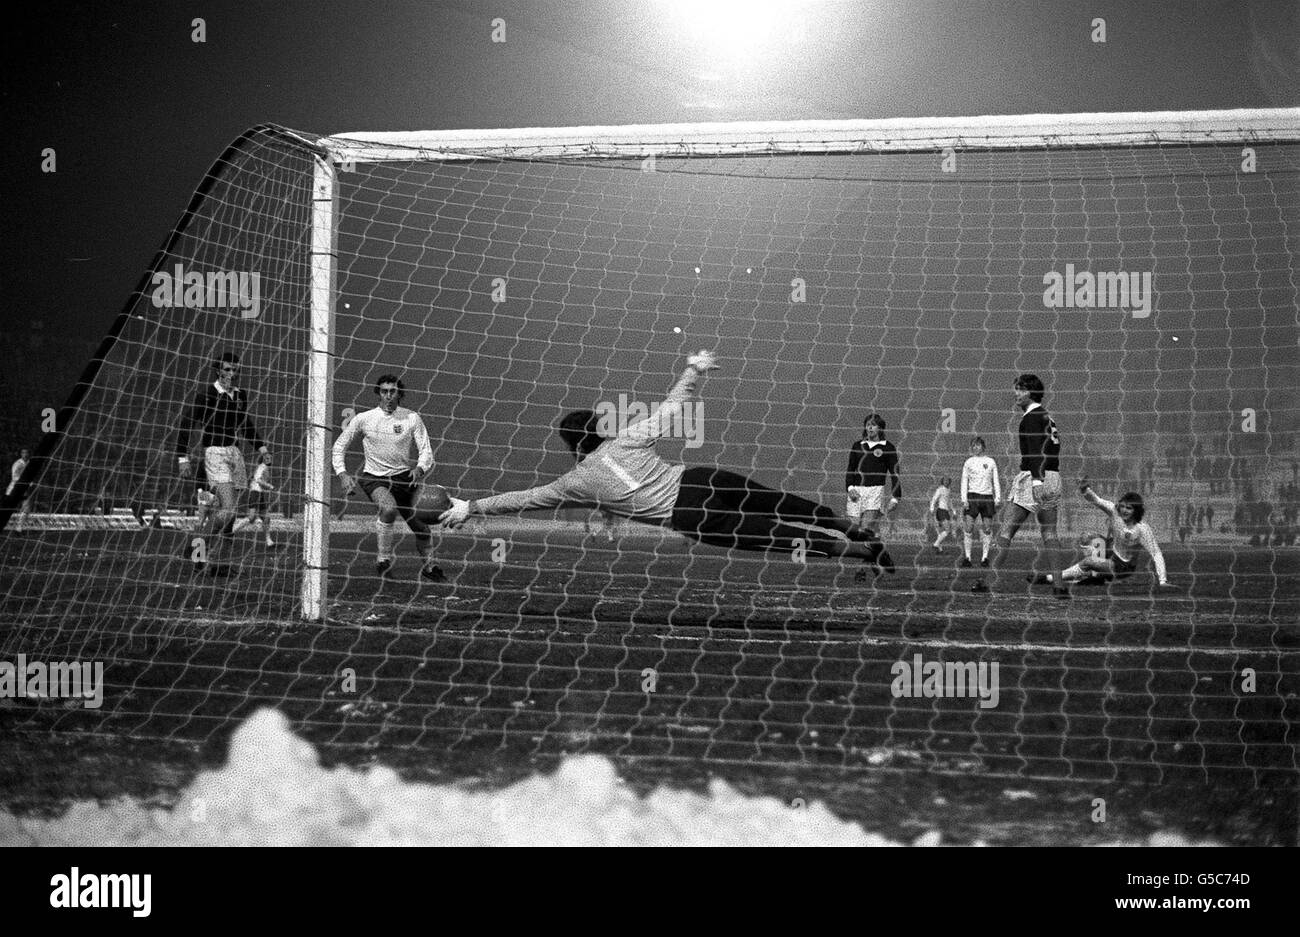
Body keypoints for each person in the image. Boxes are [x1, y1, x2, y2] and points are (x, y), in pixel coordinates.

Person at [436, 352, 895, 577]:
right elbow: (671, 410)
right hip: (702, 479)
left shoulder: (574, 482)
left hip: (690, 514)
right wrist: (692, 370)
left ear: (570, 446)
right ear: (598, 429)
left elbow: (523, 500)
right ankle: (855, 529)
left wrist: (469, 507)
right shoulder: (626, 438)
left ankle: (860, 550)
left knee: (776, 537)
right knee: (785, 504)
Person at [333, 373, 444, 581]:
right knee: (388, 509)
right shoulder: (364, 419)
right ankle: (383, 561)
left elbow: (426, 450)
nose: (388, 395)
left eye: (392, 391)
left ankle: (431, 568)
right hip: (375, 478)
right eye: (384, 391)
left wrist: (419, 469)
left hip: (404, 479)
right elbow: (339, 446)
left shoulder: (411, 418)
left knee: (422, 528)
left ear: (399, 393)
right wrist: (342, 474)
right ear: (378, 393)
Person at [971, 374, 1066, 597]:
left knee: (1006, 531)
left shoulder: (1030, 418)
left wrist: (1035, 481)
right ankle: (1060, 586)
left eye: (1020, 389)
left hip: (1035, 477)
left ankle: (987, 581)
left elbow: (1034, 451)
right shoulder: (1048, 417)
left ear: (1030, 392)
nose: (1016, 393)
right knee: (1050, 533)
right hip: (1054, 476)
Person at [177, 353, 271, 575]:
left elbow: (244, 424)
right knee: (227, 511)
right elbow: (187, 423)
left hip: (235, 454)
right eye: (228, 369)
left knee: (228, 516)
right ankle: (198, 547)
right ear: (218, 371)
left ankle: (206, 559)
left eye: (235, 370)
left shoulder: (240, 395)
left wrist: (262, 448)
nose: (232, 374)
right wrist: (183, 457)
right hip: (215, 453)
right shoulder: (207, 395)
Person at [1033, 477, 1173, 594]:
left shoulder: (1142, 529)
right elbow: (1097, 500)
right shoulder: (1114, 511)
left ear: (1136, 511)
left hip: (1122, 567)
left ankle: (1050, 578)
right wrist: (1085, 490)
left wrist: (1163, 581)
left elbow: (1156, 553)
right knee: (1088, 537)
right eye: (1123, 506)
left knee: (1088, 562)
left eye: (1129, 508)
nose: (1124, 510)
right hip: (1112, 552)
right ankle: (1096, 576)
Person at [845, 414, 902, 539]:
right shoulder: (857, 446)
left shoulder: (888, 447)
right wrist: (850, 488)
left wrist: (895, 497)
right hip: (856, 491)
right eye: (867, 425)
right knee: (854, 530)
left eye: (873, 425)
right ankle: (876, 547)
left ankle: (872, 551)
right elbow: (850, 469)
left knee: (866, 527)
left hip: (875, 491)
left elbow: (895, 474)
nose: (870, 428)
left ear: (880, 428)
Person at [959, 436, 1001, 567]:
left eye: (977, 445)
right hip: (972, 497)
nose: (975, 448)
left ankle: (985, 558)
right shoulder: (968, 462)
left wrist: (997, 497)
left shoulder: (991, 461)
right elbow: (964, 481)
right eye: (973, 445)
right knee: (969, 527)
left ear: (983, 446)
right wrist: (964, 499)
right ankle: (967, 558)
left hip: (987, 497)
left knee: (987, 528)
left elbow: (996, 481)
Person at [233, 452, 277, 547]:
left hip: (259, 493)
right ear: (263, 459)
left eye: (270, 458)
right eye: (267, 458)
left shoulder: (264, 467)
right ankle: (232, 531)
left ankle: (269, 541)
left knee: (266, 518)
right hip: (255, 494)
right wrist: (270, 486)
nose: (269, 460)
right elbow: (258, 479)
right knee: (251, 518)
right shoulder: (262, 467)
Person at [7, 447, 32, 530]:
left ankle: (19, 528)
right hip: (15, 488)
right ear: (21, 454)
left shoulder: (29, 463)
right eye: (23, 453)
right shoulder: (17, 464)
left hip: (25, 489)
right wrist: (26, 481)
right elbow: (14, 476)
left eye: (27, 453)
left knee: (26, 508)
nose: (25, 454)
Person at [928, 477, 955, 552]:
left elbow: (949, 501)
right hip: (941, 511)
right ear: (942, 481)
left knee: (941, 532)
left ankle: (940, 549)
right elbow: (934, 499)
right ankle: (935, 545)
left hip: (946, 512)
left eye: (947, 480)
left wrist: (954, 511)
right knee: (947, 530)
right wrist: (931, 509)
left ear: (949, 482)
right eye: (945, 480)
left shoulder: (949, 490)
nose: (946, 482)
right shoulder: (940, 489)